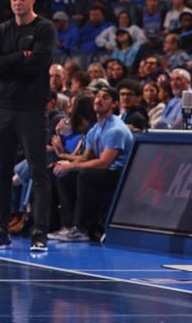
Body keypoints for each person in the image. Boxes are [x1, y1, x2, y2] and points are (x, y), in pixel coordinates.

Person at [0, 0, 56, 252]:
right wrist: (20, 57)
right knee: (1, 170)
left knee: (38, 171)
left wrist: (13, 61)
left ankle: (39, 231)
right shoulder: (1, 31)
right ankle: (1, 228)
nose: (17, 3)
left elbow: (38, 63)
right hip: (3, 107)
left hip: (32, 108)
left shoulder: (45, 28)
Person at [52, 87, 134, 241]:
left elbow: (104, 163)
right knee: (64, 174)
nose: (99, 99)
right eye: (97, 96)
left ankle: (81, 228)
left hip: (119, 175)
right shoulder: (95, 129)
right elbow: (84, 158)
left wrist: (72, 165)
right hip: (103, 172)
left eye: (105, 98)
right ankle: (68, 226)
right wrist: (64, 159)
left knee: (85, 175)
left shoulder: (116, 129)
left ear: (115, 104)